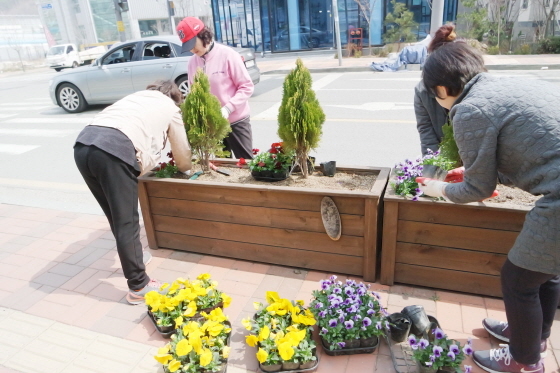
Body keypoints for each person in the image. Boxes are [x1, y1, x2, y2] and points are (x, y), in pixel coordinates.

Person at [416, 28, 560, 373]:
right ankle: (532, 337)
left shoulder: (468, 110)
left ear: (441, 89)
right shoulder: (505, 85)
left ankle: (525, 362)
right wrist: (476, 169)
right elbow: (527, 152)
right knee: (546, 270)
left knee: (518, 279)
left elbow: (477, 191)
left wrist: (436, 189)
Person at [73, 80, 192, 305]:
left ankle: (134, 258)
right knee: (127, 220)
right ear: (175, 97)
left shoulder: (136, 98)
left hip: (83, 145)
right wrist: (187, 169)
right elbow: (182, 150)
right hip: (113, 151)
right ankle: (139, 285)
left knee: (115, 215)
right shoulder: (171, 108)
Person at [176, 17, 255, 159]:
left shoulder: (228, 55)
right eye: (188, 46)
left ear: (203, 35)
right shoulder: (192, 62)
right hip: (213, 125)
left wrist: (228, 108)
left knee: (245, 163)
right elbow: (194, 95)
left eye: (193, 44)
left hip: (236, 121)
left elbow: (246, 86)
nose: (192, 50)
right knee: (223, 167)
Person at [414, 24, 455, 155]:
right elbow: (426, 131)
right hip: (446, 153)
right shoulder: (423, 91)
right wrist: (431, 170)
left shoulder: (471, 89)